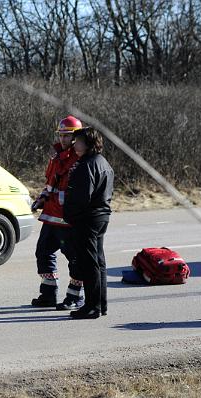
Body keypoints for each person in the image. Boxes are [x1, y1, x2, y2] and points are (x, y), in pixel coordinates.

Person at [30, 115, 84, 310]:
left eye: (67, 135)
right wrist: (41, 199)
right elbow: (51, 183)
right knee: (43, 253)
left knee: (75, 259)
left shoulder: (79, 159)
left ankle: (75, 296)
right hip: (52, 217)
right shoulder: (56, 156)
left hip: (69, 220)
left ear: (76, 137)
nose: (63, 139)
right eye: (61, 135)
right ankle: (48, 294)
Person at [64, 127, 114, 320]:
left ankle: (92, 307)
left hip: (88, 218)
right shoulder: (103, 163)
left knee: (89, 263)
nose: (75, 143)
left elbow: (81, 197)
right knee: (99, 261)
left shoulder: (86, 165)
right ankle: (101, 304)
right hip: (101, 216)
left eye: (79, 140)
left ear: (89, 143)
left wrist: (70, 215)